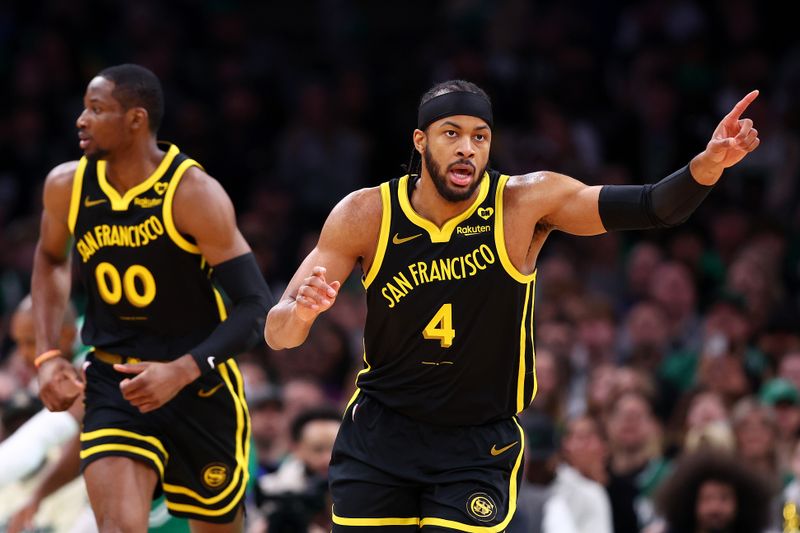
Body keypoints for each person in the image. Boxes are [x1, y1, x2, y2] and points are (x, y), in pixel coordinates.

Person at [265, 79, 760, 530]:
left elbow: (653, 206)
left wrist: (707, 164)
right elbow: (278, 332)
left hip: (475, 440)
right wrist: (304, 313)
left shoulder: (524, 203)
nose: (466, 149)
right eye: (451, 134)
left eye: (480, 136)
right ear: (420, 142)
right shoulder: (365, 214)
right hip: (381, 433)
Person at [31, 64, 273, 532]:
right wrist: (46, 355)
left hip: (198, 383)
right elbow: (50, 259)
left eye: (96, 109)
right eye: (84, 108)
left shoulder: (192, 193)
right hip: (114, 380)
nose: (81, 120)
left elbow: (255, 306)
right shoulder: (67, 186)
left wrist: (182, 370)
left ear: (136, 120)